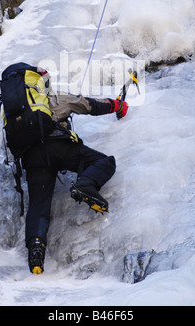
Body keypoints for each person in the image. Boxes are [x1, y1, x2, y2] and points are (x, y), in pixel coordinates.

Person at [19, 67, 129, 274]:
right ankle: (85, 184)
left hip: (34, 158)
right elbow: (90, 105)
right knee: (105, 162)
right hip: (60, 148)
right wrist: (118, 105)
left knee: (39, 206)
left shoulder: (19, 113)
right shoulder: (55, 99)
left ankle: (36, 255)